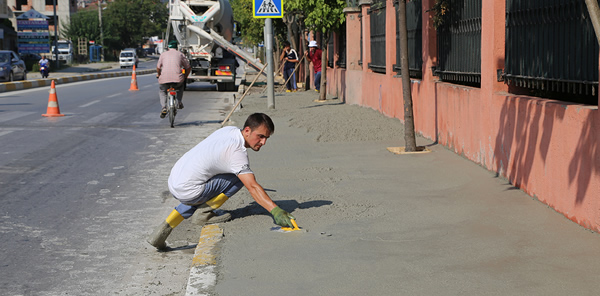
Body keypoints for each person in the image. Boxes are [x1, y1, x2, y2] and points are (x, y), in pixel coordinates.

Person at [148, 113, 296, 250]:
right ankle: (204, 213)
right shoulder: (236, 152)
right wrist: (275, 211)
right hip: (190, 190)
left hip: (175, 181)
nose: (263, 142)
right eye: (260, 136)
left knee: (218, 177)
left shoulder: (229, 130)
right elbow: (252, 186)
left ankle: (164, 228)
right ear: (247, 131)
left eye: (266, 138)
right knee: (239, 179)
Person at [156, 40, 191, 118]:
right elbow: (188, 67)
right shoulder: (180, 54)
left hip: (164, 79)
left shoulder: (163, 54)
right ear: (176, 47)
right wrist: (185, 77)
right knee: (180, 87)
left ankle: (164, 107)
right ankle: (179, 102)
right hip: (177, 79)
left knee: (162, 91)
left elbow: (158, 68)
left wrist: (159, 75)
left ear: (168, 47)